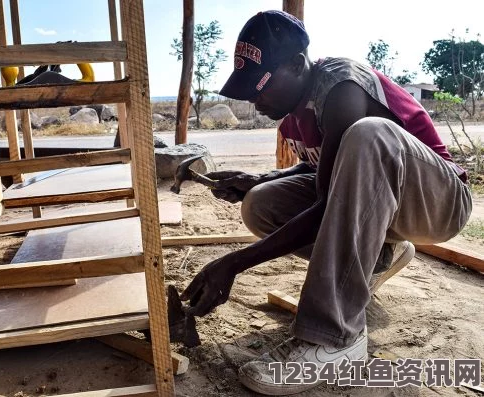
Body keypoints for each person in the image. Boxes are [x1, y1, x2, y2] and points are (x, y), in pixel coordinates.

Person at [178, 10, 473, 395]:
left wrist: (234, 263)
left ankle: (335, 338)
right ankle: (380, 257)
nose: (255, 99)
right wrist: (259, 179)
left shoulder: (341, 85)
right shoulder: (292, 116)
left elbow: (326, 200)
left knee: (369, 135)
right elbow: (321, 168)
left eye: (261, 86)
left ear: (298, 65)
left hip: (440, 201)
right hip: (385, 206)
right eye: (249, 88)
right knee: (260, 202)